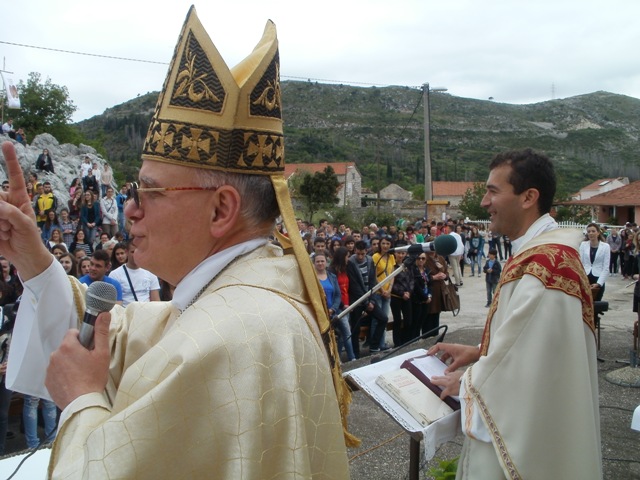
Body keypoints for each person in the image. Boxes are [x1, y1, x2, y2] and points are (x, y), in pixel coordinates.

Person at [2, 10, 352, 478]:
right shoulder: (243, 299)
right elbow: (126, 333)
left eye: (150, 191)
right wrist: (35, 260)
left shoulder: (228, 338)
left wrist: (82, 402)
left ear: (221, 210)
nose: (130, 209)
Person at [428, 149, 600, 479]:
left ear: (528, 197)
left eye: (493, 191)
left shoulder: (544, 266)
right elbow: (536, 348)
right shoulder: (539, 254)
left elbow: (533, 371)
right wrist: (481, 352)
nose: (484, 202)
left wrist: (467, 382)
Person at [347, 240, 389, 355]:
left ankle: (374, 346)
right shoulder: (351, 262)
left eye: (363, 254)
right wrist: (366, 303)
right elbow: (354, 286)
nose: (360, 256)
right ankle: (355, 354)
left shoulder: (370, 260)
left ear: (366, 252)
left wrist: (371, 300)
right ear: (355, 251)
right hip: (357, 300)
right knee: (355, 328)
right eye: (358, 253)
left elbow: (372, 281)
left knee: (383, 318)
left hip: (369, 296)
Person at [109, 240, 160, 306]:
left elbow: (156, 301)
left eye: (139, 251)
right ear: (126, 252)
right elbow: (114, 303)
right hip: (125, 314)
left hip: (147, 313)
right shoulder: (115, 274)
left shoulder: (150, 272)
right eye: (132, 252)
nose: (136, 255)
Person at [579, 223, 611, 302]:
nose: (591, 233)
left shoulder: (605, 247)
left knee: (596, 305)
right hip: (585, 278)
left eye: (593, 231)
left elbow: (606, 267)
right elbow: (580, 263)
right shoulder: (583, 245)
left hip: (598, 278)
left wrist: (599, 283)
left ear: (598, 233)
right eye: (589, 231)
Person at [390, 246, 414, 347]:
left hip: (407, 296)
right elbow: (392, 283)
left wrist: (409, 292)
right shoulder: (392, 266)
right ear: (395, 254)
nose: (401, 255)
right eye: (399, 253)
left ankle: (406, 340)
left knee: (408, 320)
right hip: (396, 296)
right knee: (397, 320)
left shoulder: (408, 266)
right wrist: (401, 293)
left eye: (403, 253)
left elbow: (412, 280)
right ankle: (397, 343)